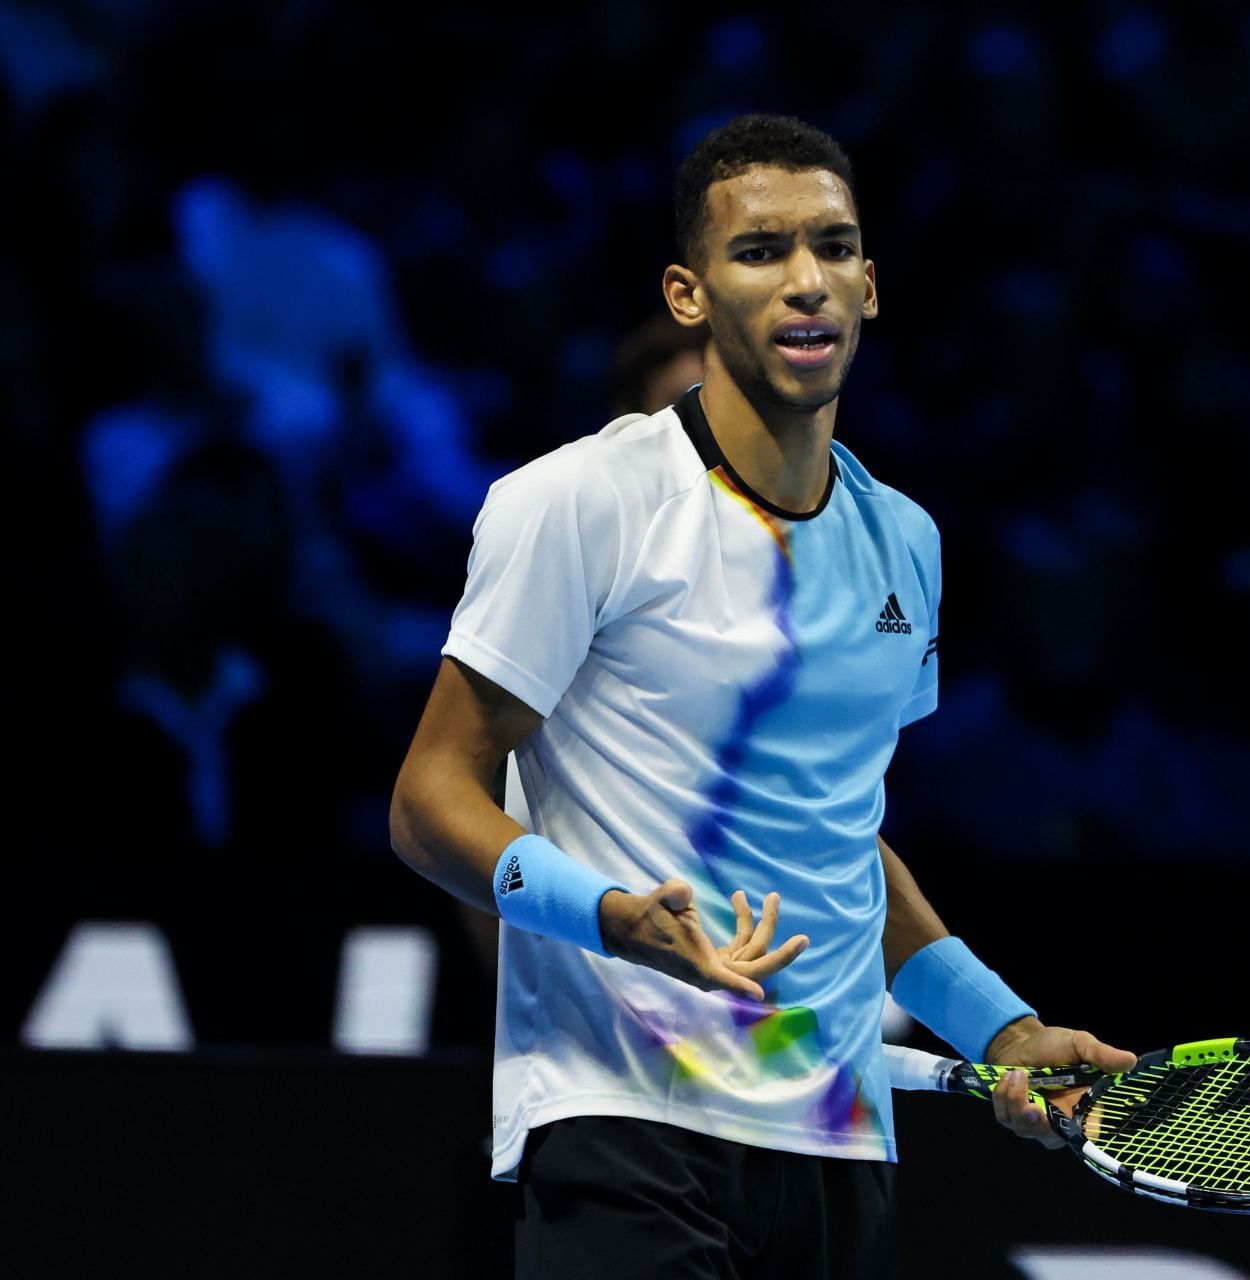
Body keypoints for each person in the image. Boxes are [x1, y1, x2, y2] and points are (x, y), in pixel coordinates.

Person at [388, 113, 1133, 1279]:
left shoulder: (906, 541)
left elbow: (840, 829)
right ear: (688, 294)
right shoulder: (580, 500)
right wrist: (615, 913)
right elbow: (431, 797)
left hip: (838, 1135)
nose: (806, 282)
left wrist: (998, 1021)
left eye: (835, 248)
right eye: (761, 251)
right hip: (621, 1112)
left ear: (872, 286)